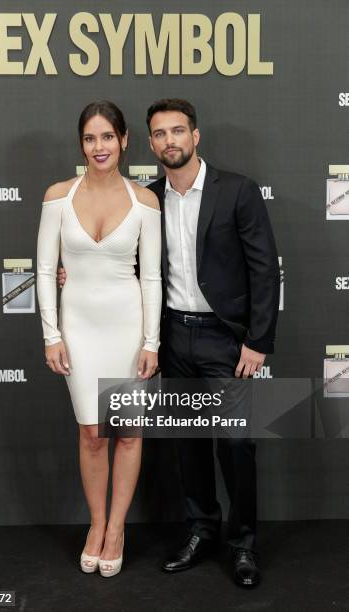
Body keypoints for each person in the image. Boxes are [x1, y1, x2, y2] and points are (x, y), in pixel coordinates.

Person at [58, 98, 280, 587]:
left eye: (177, 131)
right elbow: (129, 269)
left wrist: (257, 340)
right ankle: (201, 531)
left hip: (227, 340)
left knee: (237, 444)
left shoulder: (237, 191)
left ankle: (243, 545)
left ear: (195, 136)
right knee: (188, 445)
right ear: (150, 143)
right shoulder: (148, 197)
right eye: (160, 134)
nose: (169, 141)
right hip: (173, 335)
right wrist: (72, 272)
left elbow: (265, 270)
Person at [37, 100, 162, 578]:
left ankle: (117, 529)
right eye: (90, 138)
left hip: (127, 326)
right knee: (92, 433)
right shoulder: (58, 197)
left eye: (107, 137)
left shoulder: (144, 202)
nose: (99, 146)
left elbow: (150, 278)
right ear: (81, 145)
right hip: (79, 327)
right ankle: (95, 524)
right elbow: (47, 270)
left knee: (128, 432)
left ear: (125, 140)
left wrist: (151, 341)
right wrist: (52, 334)